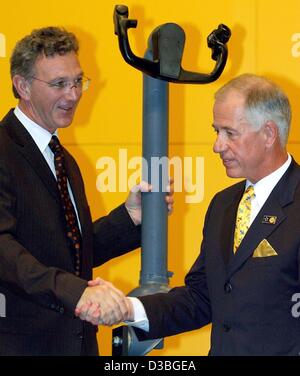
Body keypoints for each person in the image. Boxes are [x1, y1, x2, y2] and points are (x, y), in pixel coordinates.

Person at [81, 73, 300, 355]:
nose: (217, 146)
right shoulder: (223, 205)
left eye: (230, 133)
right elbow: (201, 297)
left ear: (269, 133)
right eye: (216, 131)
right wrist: (128, 308)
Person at [0, 26, 173, 356]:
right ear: (22, 86)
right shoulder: (4, 149)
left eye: (78, 81)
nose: (74, 94)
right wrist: (76, 292)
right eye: (59, 84)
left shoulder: (64, 159)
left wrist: (129, 219)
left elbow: (70, 254)